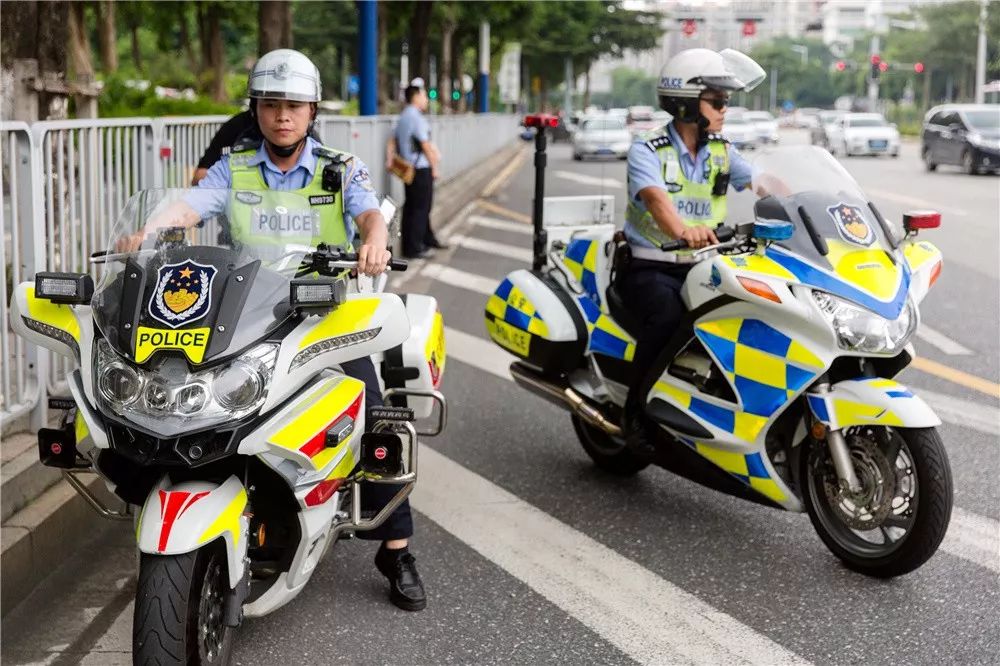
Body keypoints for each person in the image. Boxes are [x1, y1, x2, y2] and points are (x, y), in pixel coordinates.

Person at [133, 49, 427, 611]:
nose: (282, 116)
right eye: (271, 105)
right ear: (257, 110)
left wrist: (374, 240)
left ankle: (396, 547)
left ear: (312, 111)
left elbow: (369, 213)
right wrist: (151, 229)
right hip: (247, 316)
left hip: (323, 319)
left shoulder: (340, 168)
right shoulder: (234, 167)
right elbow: (192, 205)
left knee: (370, 406)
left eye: (293, 105)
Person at [618, 48, 764, 457]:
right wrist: (684, 230)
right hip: (652, 266)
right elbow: (657, 202)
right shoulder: (648, 149)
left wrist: (806, 200)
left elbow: (763, 182)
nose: (724, 110)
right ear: (685, 103)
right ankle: (636, 415)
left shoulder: (721, 149)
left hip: (709, 265)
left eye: (726, 102)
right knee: (667, 318)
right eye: (717, 102)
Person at [387, 78, 444, 259]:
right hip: (420, 169)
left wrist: (390, 161)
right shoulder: (415, 117)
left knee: (412, 206)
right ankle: (415, 247)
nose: (426, 98)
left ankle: (422, 240)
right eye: (425, 95)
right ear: (416, 96)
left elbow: (392, 140)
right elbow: (425, 145)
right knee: (421, 208)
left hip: (408, 169)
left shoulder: (404, 116)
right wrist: (435, 167)